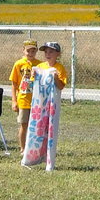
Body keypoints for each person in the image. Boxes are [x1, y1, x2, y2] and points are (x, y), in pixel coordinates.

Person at [21, 41, 67, 172]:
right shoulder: (40, 66)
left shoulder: (59, 68)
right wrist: (34, 76)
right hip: (39, 105)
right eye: (46, 52)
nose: (48, 54)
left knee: (51, 130)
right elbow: (31, 84)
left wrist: (55, 77)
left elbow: (61, 86)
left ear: (57, 54)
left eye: (51, 52)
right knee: (36, 129)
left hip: (52, 103)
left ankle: (49, 161)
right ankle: (31, 157)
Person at [8, 39, 39, 153]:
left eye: (33, 51)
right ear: (23, 50)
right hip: (23, 99)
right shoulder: (18, 64)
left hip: (35, 100)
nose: (30, 54)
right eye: (28, 51)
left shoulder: (39, 64)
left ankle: (34, 147)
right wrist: (14, 101)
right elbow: (14, 83)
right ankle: (23, 148)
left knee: (35, 125)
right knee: (24, 124)